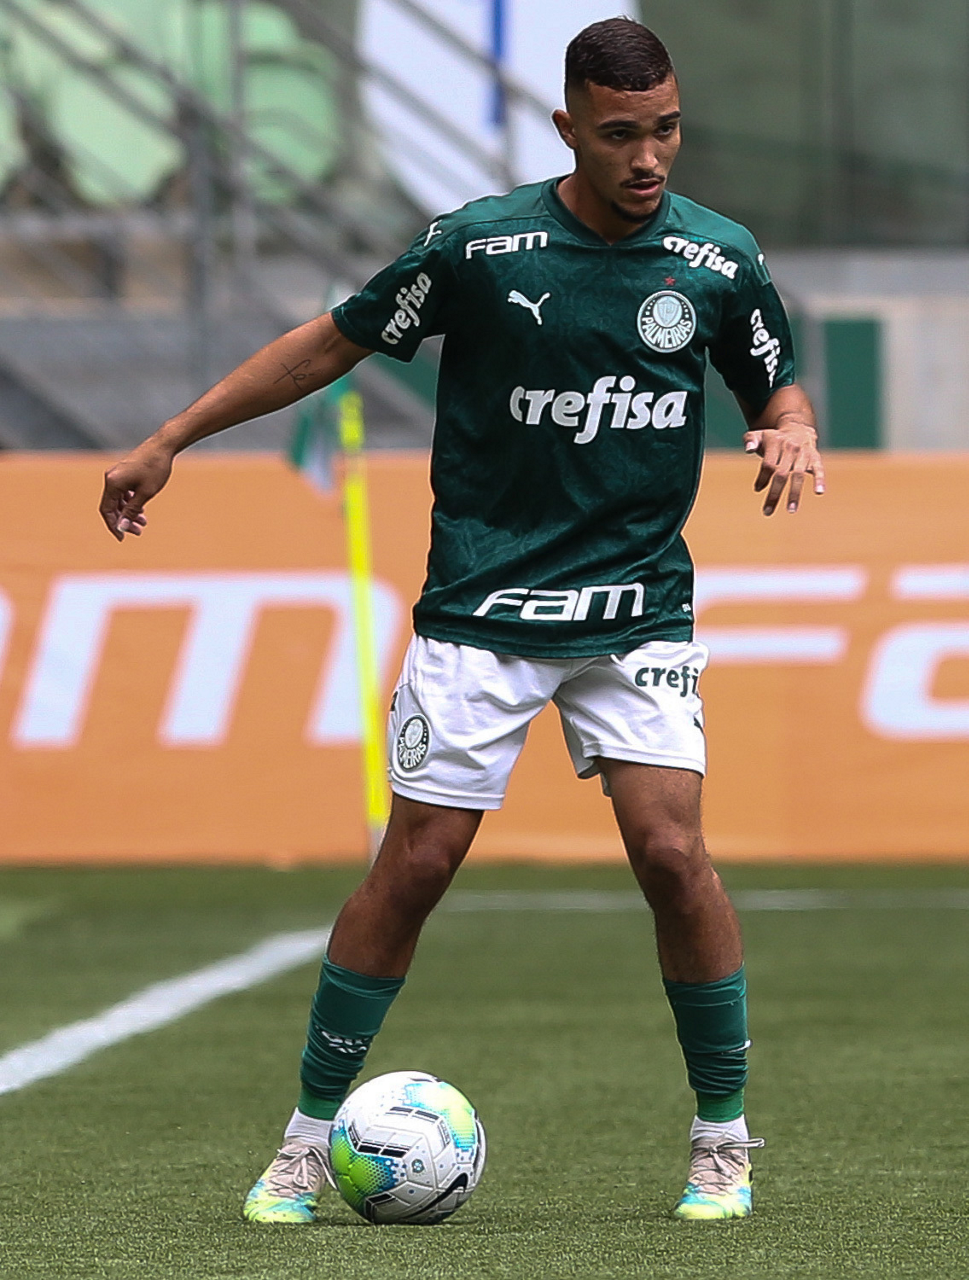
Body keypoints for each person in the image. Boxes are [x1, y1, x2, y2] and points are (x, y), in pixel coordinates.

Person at [100, 17, 824, 1223]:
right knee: (419, 862)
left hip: (636, 610)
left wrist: (792, 426)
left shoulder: (718, 258)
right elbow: (327, 346)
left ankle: (722, 1140)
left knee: (672, 853)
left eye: (666, 130)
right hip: (481, 606)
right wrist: (171, 437)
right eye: (621, 134)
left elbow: (774, 381)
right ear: (567, 128)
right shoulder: (480, 247)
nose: (649, 158)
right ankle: (304, 1141)